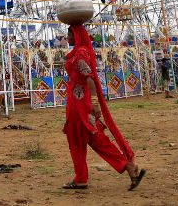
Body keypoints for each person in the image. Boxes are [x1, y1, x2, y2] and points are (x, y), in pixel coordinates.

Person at [62, 25, 145, 191]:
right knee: (96, 139)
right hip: (79, 102)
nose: (67, 38)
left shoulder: (80, 53)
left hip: (80, 105)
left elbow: (90, 78)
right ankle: (128, 168)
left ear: (77, 36)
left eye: (69, 35)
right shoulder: (80, 51)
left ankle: (81, 179)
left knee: (76, 140)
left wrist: (94, 102)